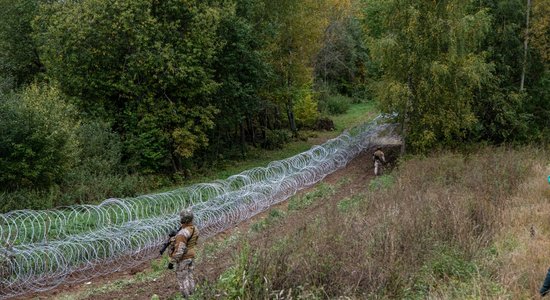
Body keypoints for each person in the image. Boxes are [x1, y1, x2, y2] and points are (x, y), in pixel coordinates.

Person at [169, 209, 199, 299]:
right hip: (191, 255)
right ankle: (194, 296)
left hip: (183, 258)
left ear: (183, 220)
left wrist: (172, 262)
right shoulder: (194, 229)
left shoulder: (183, 233)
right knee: (190, 277)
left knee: (182, 280)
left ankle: (186, 297)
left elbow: (179, 250)